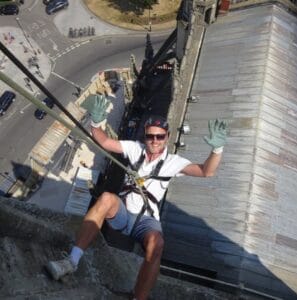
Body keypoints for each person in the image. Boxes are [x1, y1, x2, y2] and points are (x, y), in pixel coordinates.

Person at [46, 94, 228, 300]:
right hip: (123, 213)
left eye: (160, 137)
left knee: (157, 244)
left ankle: (138, 298)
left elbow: (206, 171)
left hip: (146, 221)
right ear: (145, 136)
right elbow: (105, 142)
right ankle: (72, 261)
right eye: (150, 136)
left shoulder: (173, 162)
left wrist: (217, 149)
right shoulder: (135, 149)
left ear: (167, 137)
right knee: (106, 198)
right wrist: (96, 122)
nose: (155, 141)